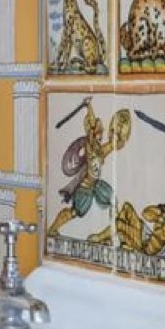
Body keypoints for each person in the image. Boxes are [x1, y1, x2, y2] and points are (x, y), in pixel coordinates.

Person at [48, 101, 130, 241]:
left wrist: (119, 129)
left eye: (102, 132)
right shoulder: (90, 146)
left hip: (96, 185)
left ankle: (111, 233)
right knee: (75, 212)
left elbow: (115, 145)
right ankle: (53, 229)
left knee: (113, 200)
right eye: (99, 132)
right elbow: (92, 124)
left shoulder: (100, 150)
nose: (101, 134)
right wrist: (89, 107)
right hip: (85, 187)